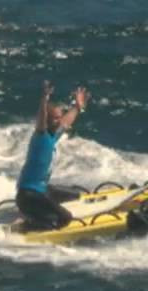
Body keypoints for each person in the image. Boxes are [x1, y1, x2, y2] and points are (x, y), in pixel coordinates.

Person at [15, 80, 90, 230]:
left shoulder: (52, 137)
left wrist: (78, 107)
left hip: (43, 190)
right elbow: (41, 121)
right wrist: (44, 100)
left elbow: (66, 122)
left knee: (77, 195)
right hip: (29, 196)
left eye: (59, 117)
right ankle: (28, 225)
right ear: (48, 121)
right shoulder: (40, 136)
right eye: (55, 118)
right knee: (65, 218)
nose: (59, 120)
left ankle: (39, 213)